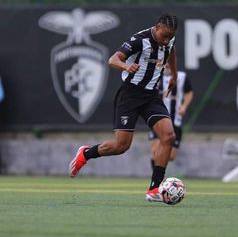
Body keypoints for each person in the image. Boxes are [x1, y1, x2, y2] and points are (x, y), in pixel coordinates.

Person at [69, 14, 179, 202]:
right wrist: (125, 67)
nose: (167, 40)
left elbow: (172, 51)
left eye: (171, 36)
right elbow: (112, 59)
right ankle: (86, 154)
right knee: (121, 146)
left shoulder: (168, 41)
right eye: (165, 35)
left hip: (151, 96)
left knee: (169, 136)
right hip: (129, 95)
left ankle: (154, 189)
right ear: (157, 27)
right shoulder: (139, 41)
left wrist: (174, 76)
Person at [148, 64, 193, 168]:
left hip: (175, 120)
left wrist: (184, 106)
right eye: (166, 67)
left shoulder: (181, 77)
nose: (167, 69)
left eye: (169, 67)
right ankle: (157, 181)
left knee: (171, 156)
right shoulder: (155, 76)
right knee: (155, 150)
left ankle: (159, 172)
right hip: (158, 118)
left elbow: (189, 92)